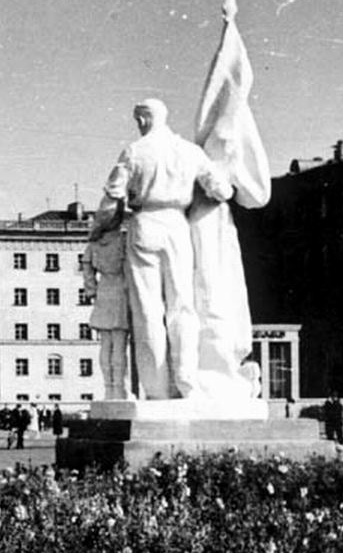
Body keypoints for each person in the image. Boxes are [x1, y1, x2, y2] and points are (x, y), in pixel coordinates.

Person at [97, 98, 233, 399]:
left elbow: (111, 201)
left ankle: (156, 388)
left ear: (142, 120)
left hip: (145, 224)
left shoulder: (134, 151)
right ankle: (186, 380)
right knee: (182, 306)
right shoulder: (189, 151)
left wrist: (100, 228)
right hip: (177, 226)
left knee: (148, 310)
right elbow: (221, 190)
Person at [82, 214, 132, 400]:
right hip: (121, 291)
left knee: (105, 344)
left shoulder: (94, 244)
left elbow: (86, 266)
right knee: (119, 344)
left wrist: (92, 290)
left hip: (103, 290)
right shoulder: (123, 240)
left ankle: (108, 389)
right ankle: (120, 388)